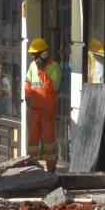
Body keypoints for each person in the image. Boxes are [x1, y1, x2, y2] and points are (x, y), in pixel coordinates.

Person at [24, 37, 61, 172]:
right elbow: (28, 82)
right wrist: (27, 96)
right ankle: (31, 166)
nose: (34, 58)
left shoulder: (54, 67)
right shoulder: (32, 66)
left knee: (49, 140)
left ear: (44, 53)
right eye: (33, 55)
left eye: (36, 54)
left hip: (47, 110)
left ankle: (51, 168)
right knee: (32, 140)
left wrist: (41, 71)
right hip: (33, 109)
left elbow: (52, 87)